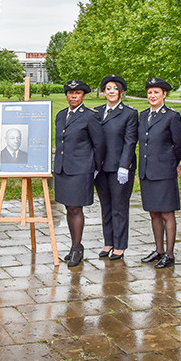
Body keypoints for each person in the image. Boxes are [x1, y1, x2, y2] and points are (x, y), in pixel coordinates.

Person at [54, 79, 105, 267]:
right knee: (68, 207)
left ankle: (77, 248)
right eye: (70, 93)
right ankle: (74, 245)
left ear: (83, 95)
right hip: (63, 169)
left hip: (80, 169)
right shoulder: (60, 116)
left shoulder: (90, 116)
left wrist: (94, 166)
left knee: (76, 208)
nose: (73, 96)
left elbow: (99, 144)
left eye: (77, 93)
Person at [138, 77, 181, 269]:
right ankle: (159, 250)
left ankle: (170, 254)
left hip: (164, 172)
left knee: (167, 213)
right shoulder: (143, 115)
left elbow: (179, 145)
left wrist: (168, 163)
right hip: (147, 172)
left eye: (156, 92)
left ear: (164, 94)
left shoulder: (171, 116)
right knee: (154, 213)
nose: (152, 96)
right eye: (149, 92)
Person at [93, 74, 138, 261]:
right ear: (104, 91)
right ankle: (108, 242)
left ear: (121, 92)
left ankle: (120, 245)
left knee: (119, 207)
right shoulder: (96, 112)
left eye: (115, 88)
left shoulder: (129, 113)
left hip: (119, 167)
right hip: (100, 168)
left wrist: (124, 166)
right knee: (105, 206)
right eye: (108, 88)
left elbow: (130, 142)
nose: (111, 91)